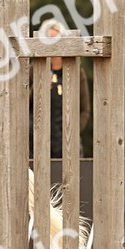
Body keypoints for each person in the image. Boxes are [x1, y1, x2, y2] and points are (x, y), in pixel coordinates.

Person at [32, 20, 91, 158]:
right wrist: (39, 87)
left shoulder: (77, 72)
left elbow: (85, 109)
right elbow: (24, 105)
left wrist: (73, 131)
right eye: (49, 39)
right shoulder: (33, 70)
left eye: (57, 39)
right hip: (38, 141)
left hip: (68, 141)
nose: (54, 44)